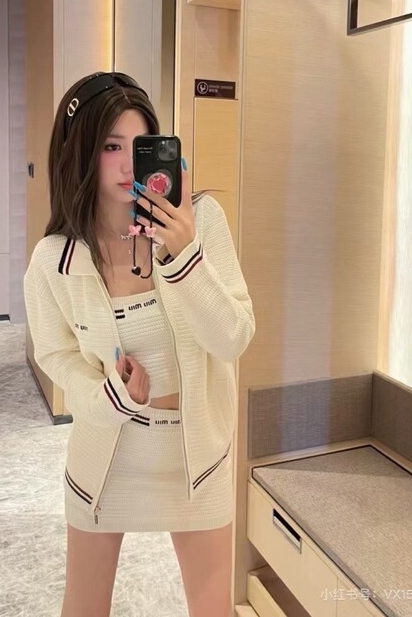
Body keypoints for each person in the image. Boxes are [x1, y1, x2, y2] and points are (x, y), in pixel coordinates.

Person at [24, 71, 255, 617]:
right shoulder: (54, 259)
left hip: (196, 463)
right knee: (84, 607)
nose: (130, 163)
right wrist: (105, 397)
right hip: (106, 462)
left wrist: (183, 256)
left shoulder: (201, 221)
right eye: (111, 146)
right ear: (79, 153)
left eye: (141, 145)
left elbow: (233, 339)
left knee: (213, 610)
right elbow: (55, 355)